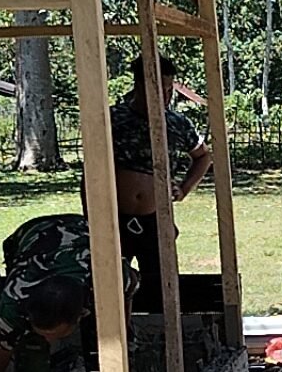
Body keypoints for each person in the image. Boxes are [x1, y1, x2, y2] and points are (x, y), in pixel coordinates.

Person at [84, 53, 212, 278]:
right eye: (158, 88)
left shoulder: (177, 123)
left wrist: (183, 189)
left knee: (160, 281)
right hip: (113, 219)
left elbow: (203, 157)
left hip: (156, 219)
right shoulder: (111, 119)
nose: (164, 95)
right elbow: (89, 172)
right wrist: (91, 218)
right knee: (111, 279)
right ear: (139, 86)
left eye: (169, 89)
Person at [0, 214, 138, 372]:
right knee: (30, 355)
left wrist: (105, 368)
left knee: (115, 345)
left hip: (81, 232)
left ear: (78, 317)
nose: (49, 341)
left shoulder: (110, 279)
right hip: (29, 235)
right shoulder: (11, 306)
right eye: (44, 333)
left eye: (54, 335)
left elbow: (122, 311)